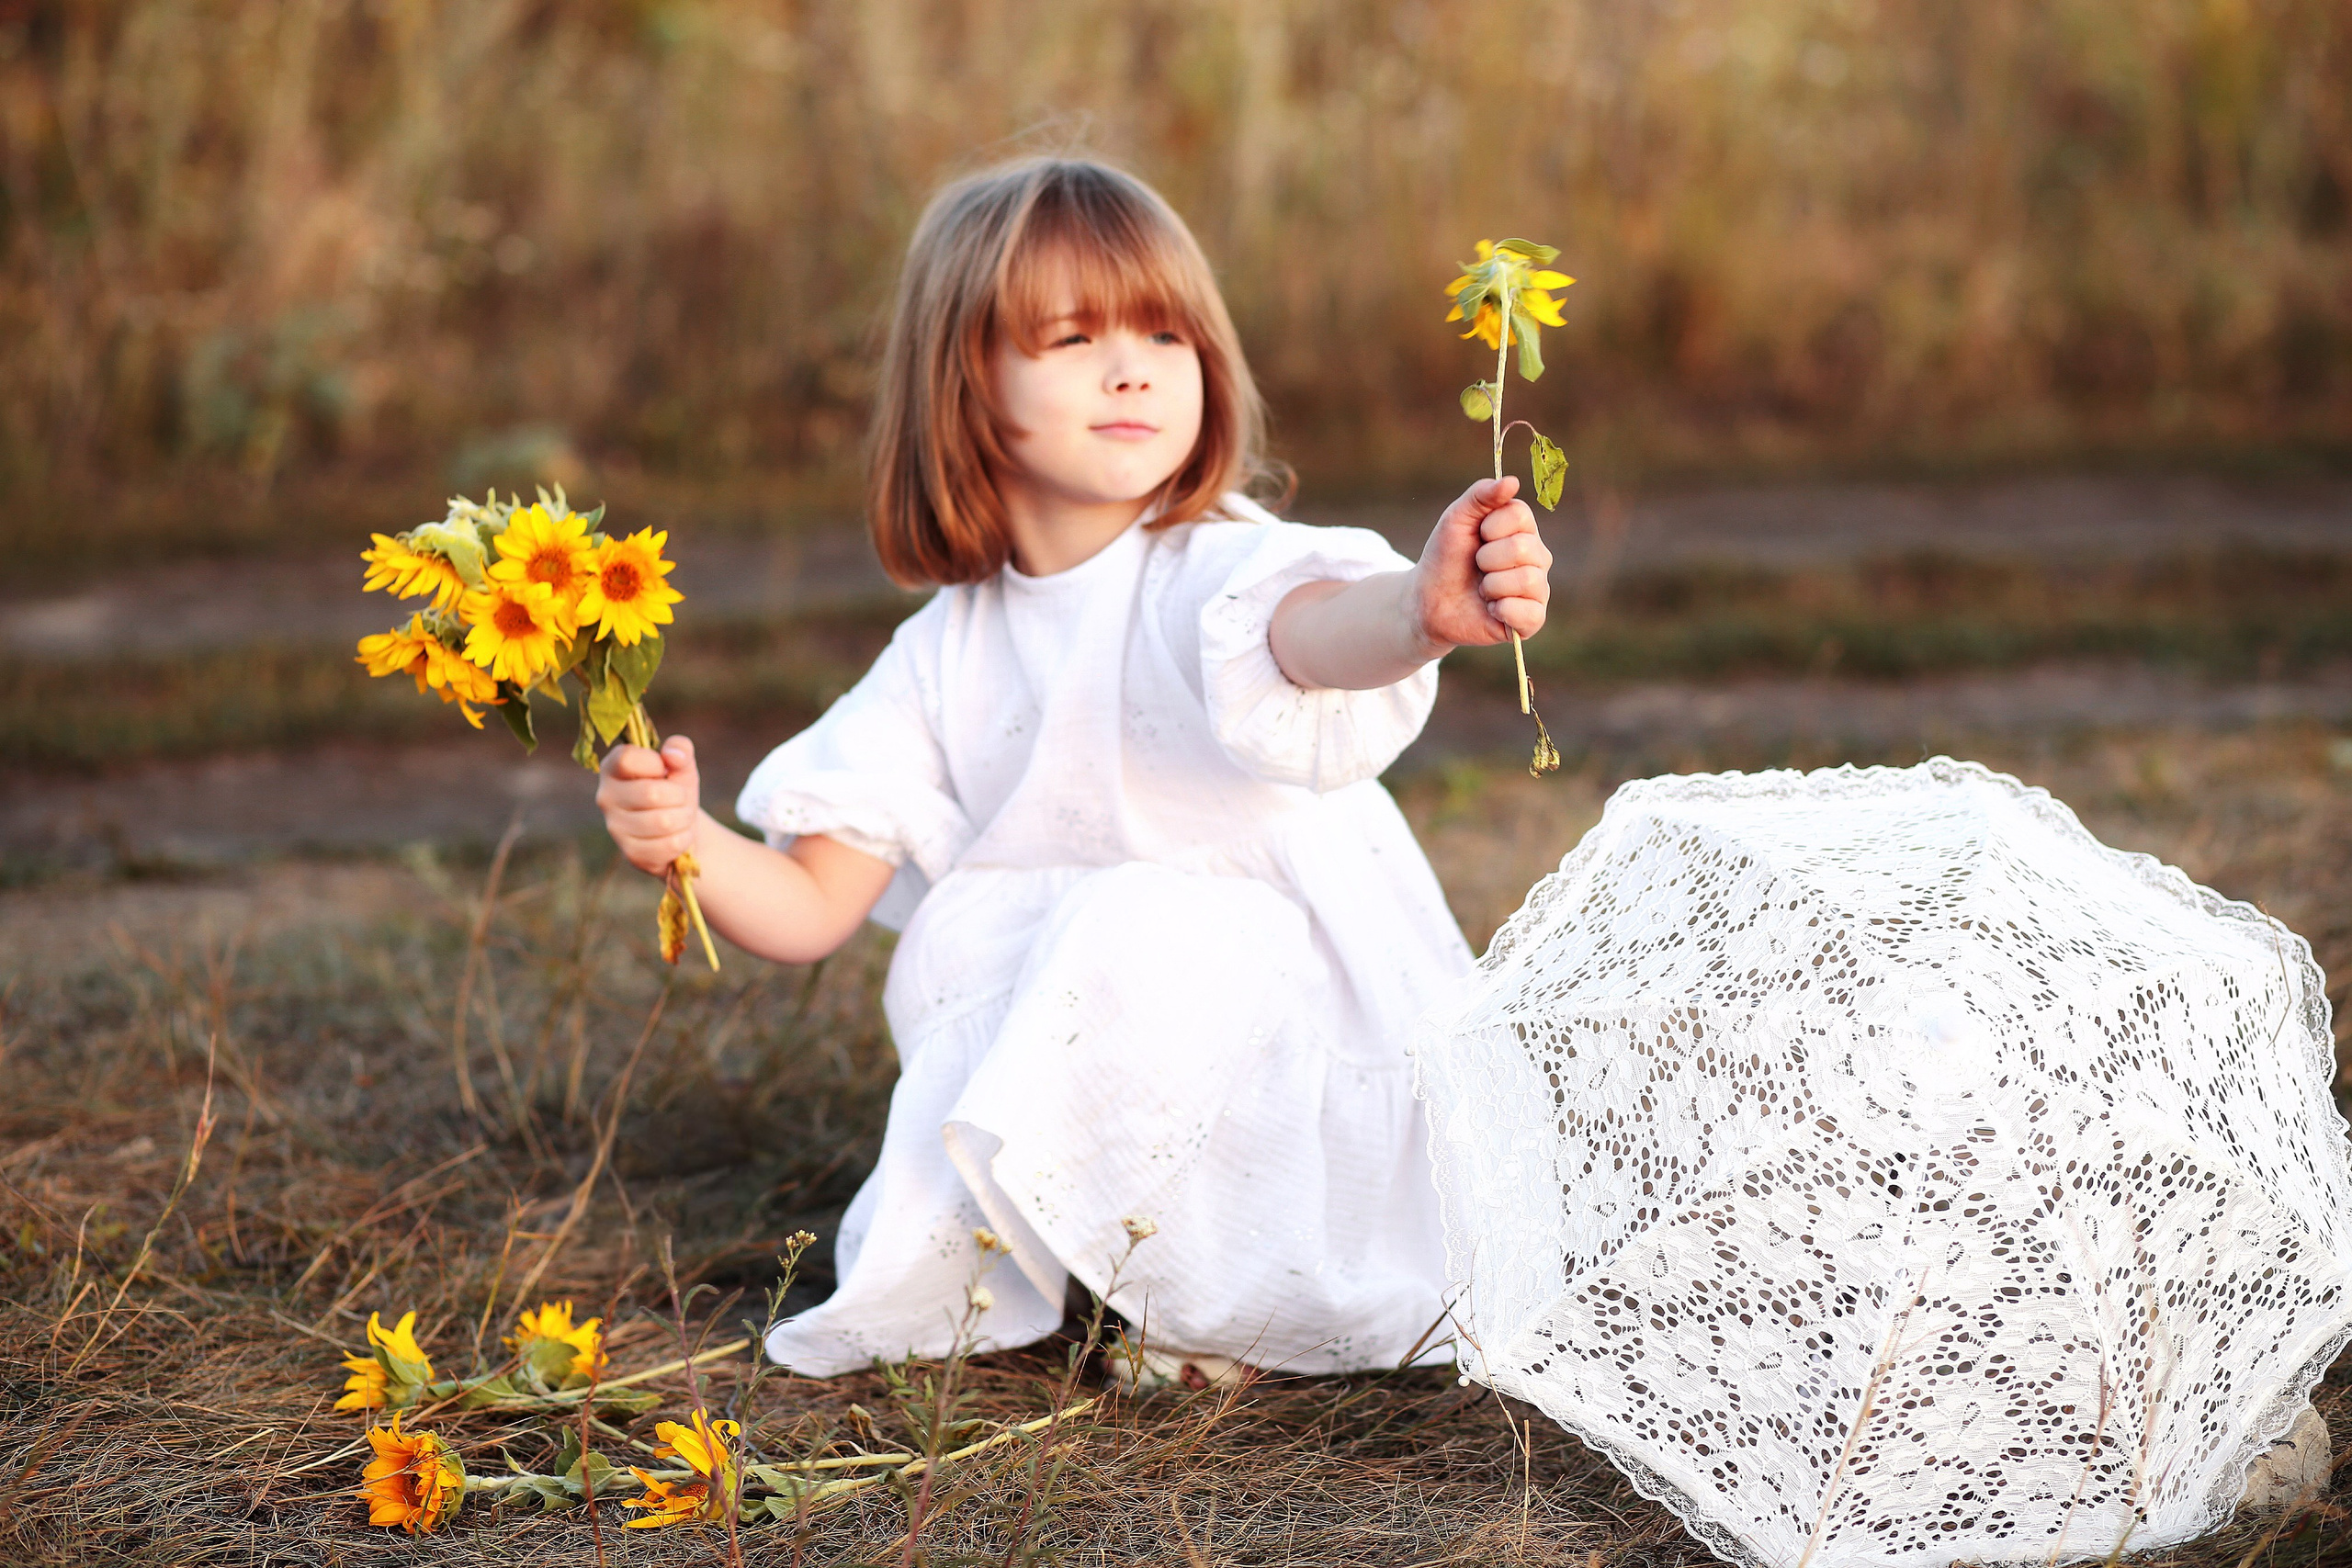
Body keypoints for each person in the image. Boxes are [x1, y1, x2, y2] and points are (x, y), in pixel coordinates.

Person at [594, 156, 1551, 1384]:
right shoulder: (943, 655)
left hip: (1300, 1011)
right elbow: (808, 907)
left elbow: (1312, 627)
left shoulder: (1217, 566)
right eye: (1072, 337)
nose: (1133, 367)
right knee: (1018, 941)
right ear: (969, 389)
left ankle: (1243, 1301)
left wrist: (1417, 612)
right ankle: (1117, 1250)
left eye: (1167, 332)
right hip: (1141, 1010)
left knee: (1135, 921)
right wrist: (687, 839)